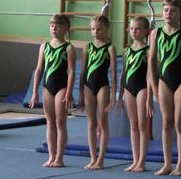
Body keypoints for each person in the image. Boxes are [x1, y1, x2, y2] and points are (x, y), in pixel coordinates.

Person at [148, 0, 181, 176]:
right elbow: (152, 60)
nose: (169, 14)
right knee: (166, 122)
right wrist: (153, 84)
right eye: (166, 10)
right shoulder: (156, 33)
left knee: (178, 123)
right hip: (164, 81)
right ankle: (167, 163)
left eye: (173, 11)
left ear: (180, 14)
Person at [29, 14, 76, 168]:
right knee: (50, 122)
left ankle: (60, 158)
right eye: (52, 25)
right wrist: (34, 91)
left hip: (61, 87)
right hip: (47, 87)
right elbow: (39, 69)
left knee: (60, 122)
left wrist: (69, 92)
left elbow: (71, 71)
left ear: (66, 28)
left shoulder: (68, 48)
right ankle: (51, 156)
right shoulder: (44, 46)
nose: (54, 28)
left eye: (58, 25)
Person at [78, 14, 117, 170]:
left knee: (103, 122)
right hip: (88, 86)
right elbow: (83, 71)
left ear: (107, 29)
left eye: (99, 29)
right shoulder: (88, 46)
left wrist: (114, 96)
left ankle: (101, 159)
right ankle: (93, 158)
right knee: (91, 123)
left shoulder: (110, 48)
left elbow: (114, 73)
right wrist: (80, 93)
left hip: (103, 86)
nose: (95, 32)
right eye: (93, 29)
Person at [118, 16, 151, 172]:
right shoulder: (126, 51)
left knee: (142, 124)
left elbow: (152, 74)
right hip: (128, 89)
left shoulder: (149, 51)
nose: (134, 32)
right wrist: (119, 95)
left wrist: (151, 95)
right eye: (131, 29)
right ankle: (135, 159)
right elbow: (123, 73)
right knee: (133, 125)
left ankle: (142, 161)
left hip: (143, 88)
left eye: (137, 29)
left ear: (146, 31)